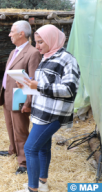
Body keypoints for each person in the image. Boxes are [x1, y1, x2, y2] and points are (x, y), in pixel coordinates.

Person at [16, 24, 80, 192]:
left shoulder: (67, 59)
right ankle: (42, 183)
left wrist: (38, 85)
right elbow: (42, 86)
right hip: (42, 112)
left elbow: (69, 89)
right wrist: (26, 85)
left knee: (30, 148)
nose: (37, 47)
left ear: (52, 40)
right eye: (36, 42)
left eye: (40, 43)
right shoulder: (47, 57)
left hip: (53, 114)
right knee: (43, 147)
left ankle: (32, 189)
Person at [0, 21, 42, 175]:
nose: (9, 34)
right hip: (9, 94)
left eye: (12, 31)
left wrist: (28, 102)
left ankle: (23, 162)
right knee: (10, 126)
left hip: (20, 96)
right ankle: (13, 150)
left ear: (21, 34)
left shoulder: (32, 53)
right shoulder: (13, 51)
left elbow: (32, 79)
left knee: (21, 130)